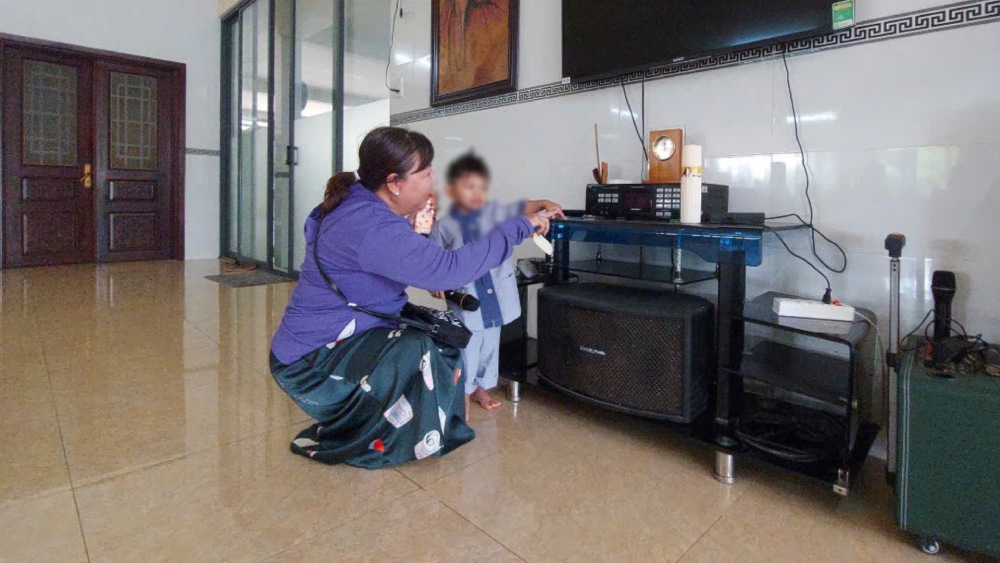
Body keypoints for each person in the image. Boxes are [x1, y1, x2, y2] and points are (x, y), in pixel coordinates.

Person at [269, 127, 557, 469]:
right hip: (310, 357)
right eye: (425, 172)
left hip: (347, 330)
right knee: (420, 346)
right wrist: (522, 226)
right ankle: (384, 437)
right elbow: (450, 269)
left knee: (444, 330)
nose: (433, 179)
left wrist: (414, 224)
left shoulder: (361, 203)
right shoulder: (372, 226)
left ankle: (418, 422)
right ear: (394, 183)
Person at [428, 152, 561, 416]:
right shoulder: (444, 226)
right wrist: (434, 281)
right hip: (468, 298)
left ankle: (481, 387)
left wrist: (544, 203)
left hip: (497, 295)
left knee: (490, 344)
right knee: (468, 346)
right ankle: (462, 393)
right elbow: (432, 259)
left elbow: (523, 207)